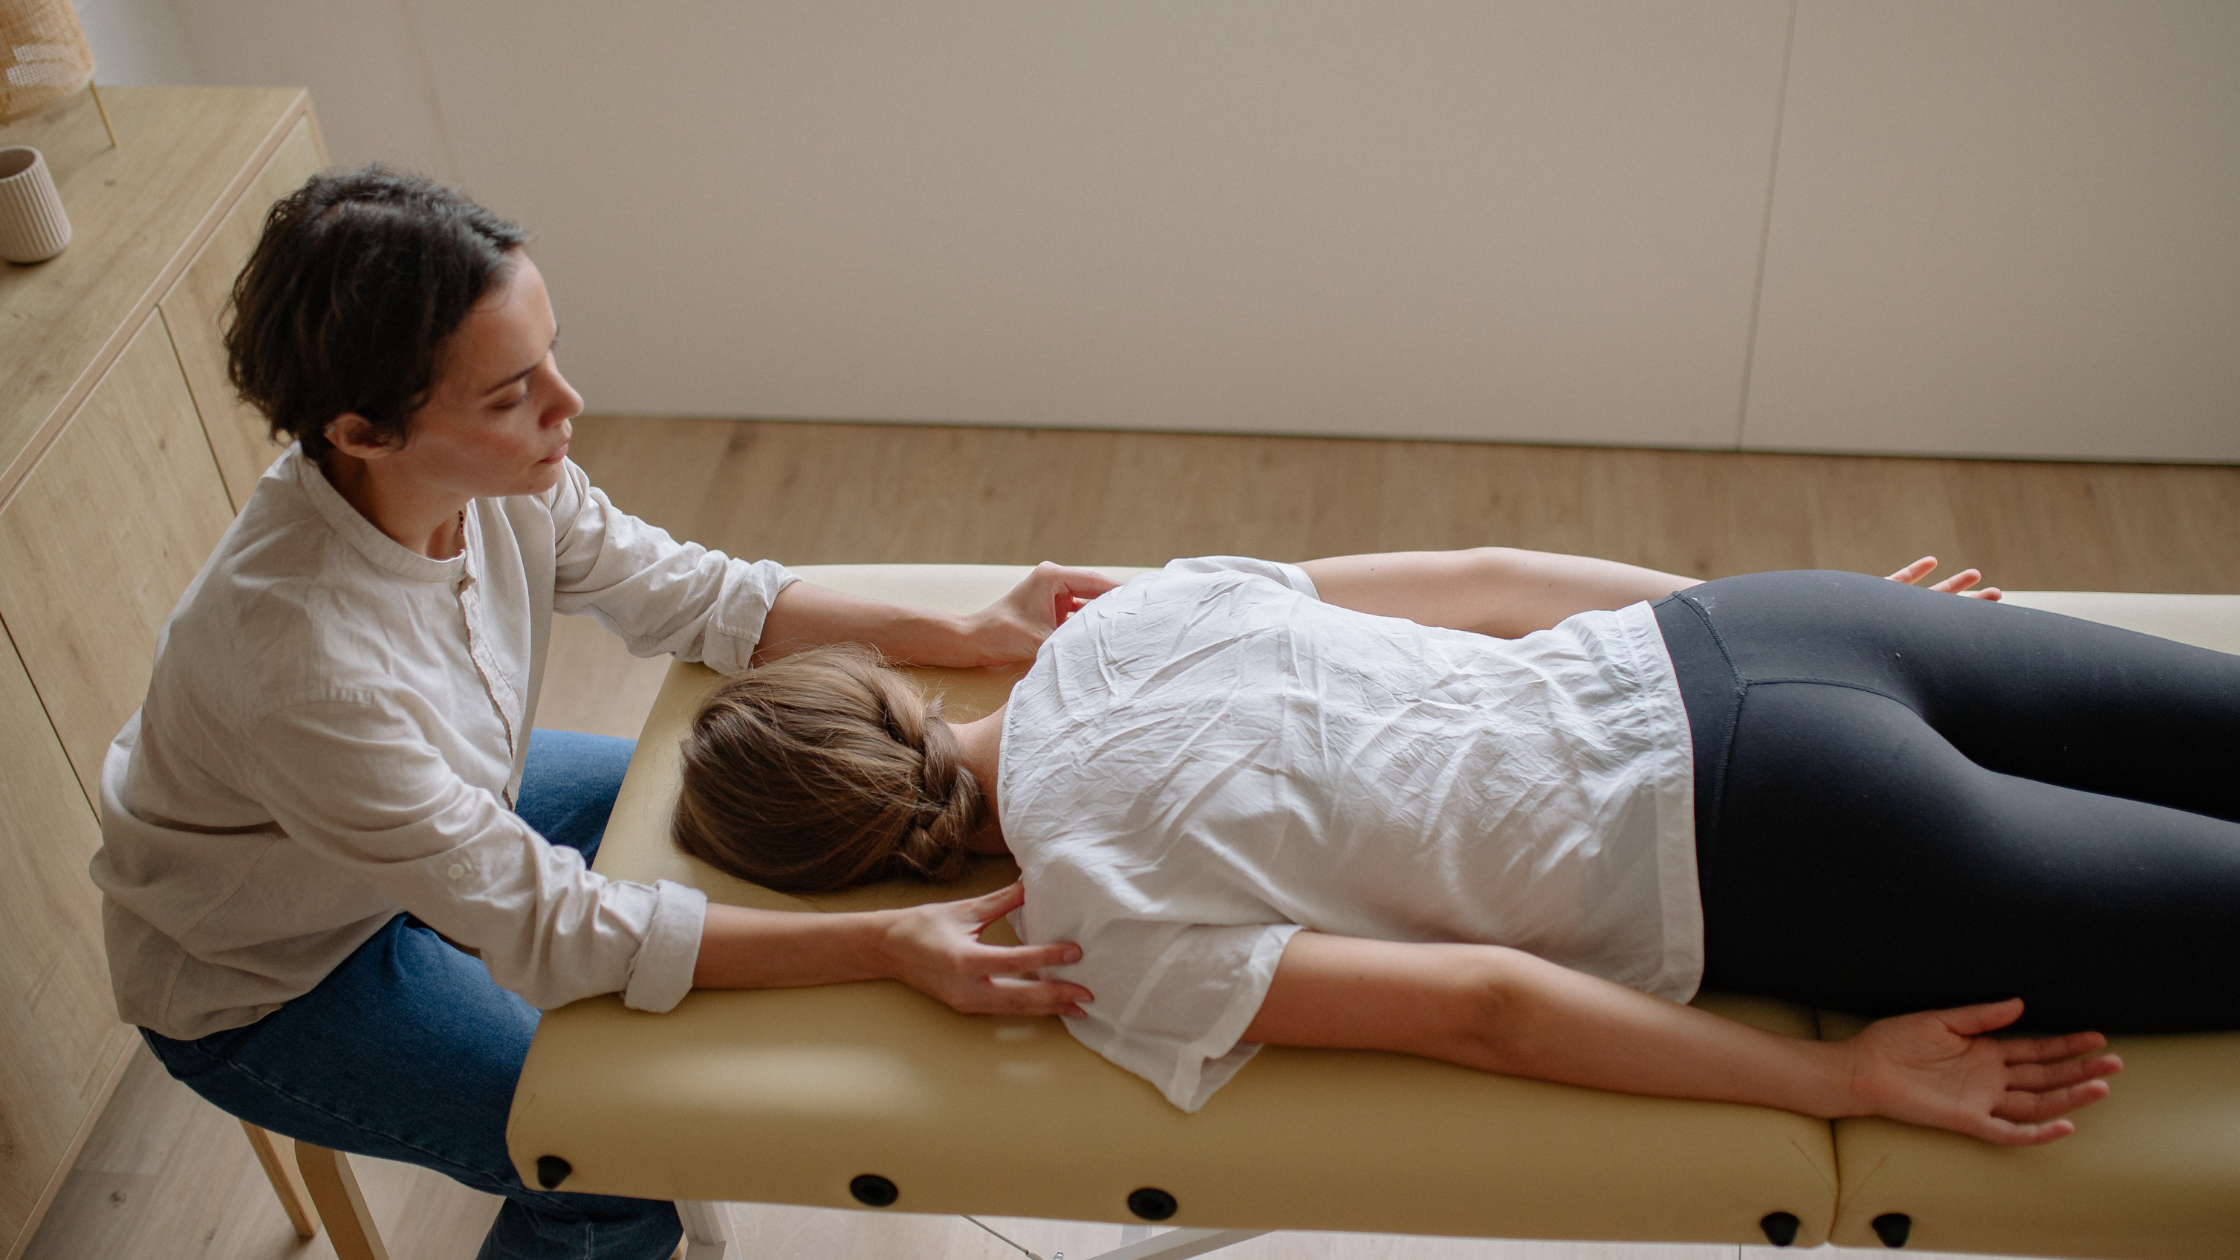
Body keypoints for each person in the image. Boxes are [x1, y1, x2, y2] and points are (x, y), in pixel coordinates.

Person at [90, 167, 1107, 1260]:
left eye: (549, 356)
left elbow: (691, 593)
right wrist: (886, 948)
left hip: (433, 815)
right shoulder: (308, 672)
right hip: (279, 975)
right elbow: (551, 930)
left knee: (760, 810)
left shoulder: (494, 481)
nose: (567, 405)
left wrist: (962, 634)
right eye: (509, 393)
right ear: (364, 433)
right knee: (617, 1161)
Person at [672, 549, 2240, 1147]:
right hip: (1763, 628)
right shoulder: (1125, 613)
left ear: (862, 870)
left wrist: (1846, 1079)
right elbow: (1496, 579)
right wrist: (1803, 615)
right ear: (885, 693)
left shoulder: (1094, 932)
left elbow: (1485, 1004)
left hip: (1791, 839)